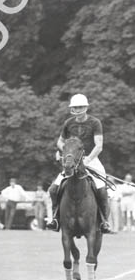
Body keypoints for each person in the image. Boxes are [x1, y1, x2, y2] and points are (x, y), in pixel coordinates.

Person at [46, 94, 111, 233]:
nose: (78, 109)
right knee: (53, 189)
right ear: (72, 108)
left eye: (81, 106)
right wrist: (63, 153)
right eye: (75, 107)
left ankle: (104, 222)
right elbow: (60, 142)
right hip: (73, 161)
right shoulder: (68, 123)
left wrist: (87, 160)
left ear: (86, 107)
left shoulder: (95, 122)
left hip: (91, 159)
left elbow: (99, 146)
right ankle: (55, 219)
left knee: (102, 190)